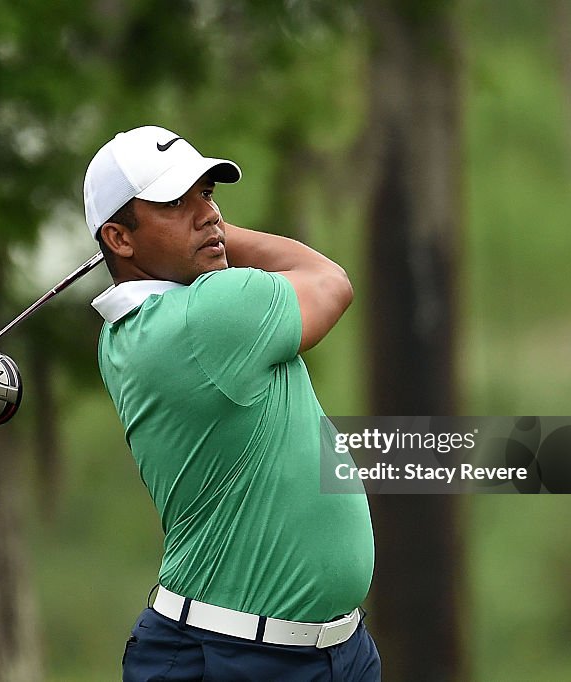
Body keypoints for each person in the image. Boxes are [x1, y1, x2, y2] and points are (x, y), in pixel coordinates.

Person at [83, 125, 379, 681]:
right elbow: (330, 281)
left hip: (324, 651)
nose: (208, 214)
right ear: (120, 239)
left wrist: (195, 232)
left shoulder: (129, 331)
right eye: (175, 202)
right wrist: (221, 235)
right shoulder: (207, 316)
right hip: (240, 656)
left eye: (208, 195)